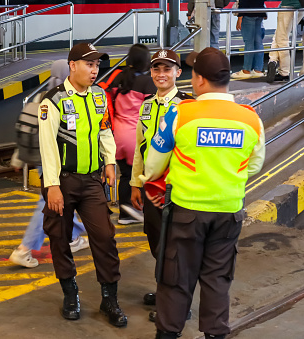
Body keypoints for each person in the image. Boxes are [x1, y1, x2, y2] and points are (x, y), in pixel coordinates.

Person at [140, 47, 265, 339]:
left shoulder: (180, 114)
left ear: (198, 80)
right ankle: (215, 334)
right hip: (228, 213)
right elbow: (255, 164)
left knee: (176, 279)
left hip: (186, 213)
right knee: (217, 280)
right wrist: (222, 174)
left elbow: (154, 164)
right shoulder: (250, 118)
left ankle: (168, 334)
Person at [38, 42, 127, 327]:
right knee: (60, 238)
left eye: (97, 65)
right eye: (89, 64)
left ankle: (109, 298)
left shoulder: (99, 96)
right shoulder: (52, 101)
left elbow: (105, 130)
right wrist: (52, 185)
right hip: (61, 181)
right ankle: (70, 293)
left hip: (91, 181)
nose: (94, 70)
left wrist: (110, 161)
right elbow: (47, 146)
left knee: (104, 237)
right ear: (72, 65)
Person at [129, 49, 193, 316]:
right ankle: (166, 291)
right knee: (156, 242)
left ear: (178, 73)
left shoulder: (188, 106)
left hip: (176, 189)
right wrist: (135, 182)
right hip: (151, 188)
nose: (161, 74)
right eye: (157, 69)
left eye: (167, 69)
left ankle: (179, 304)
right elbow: (139, 147)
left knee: (175, 248)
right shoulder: (146, 105)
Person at [10, 59, 90, 268]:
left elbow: (30, 128)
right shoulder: (62, 97)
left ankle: (72, 239)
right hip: (54, 160)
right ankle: (24, 249)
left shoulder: (40, 95)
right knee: (47, 203)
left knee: (60, 199)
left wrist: (18, 156)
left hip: (39, 158)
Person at [104, 44, 156, 224]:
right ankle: (136, 210)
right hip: (136, 134)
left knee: (125, 175)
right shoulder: (147, 82)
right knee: (142, 175)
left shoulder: (118, 76)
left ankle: (125, 213)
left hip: (116, 134)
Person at [266, 0, 304, 82]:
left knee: (282, 39)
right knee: (278, 35)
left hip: (288, 6)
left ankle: (284, 72)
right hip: (300, 8)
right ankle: (273, 60)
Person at [231, 0, 266, 79]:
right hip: (259, 13)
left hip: (248, 14)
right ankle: (258, 70)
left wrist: (240, 17)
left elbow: (244, 2)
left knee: (249, 42)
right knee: (258, 42)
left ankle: (246, 70)